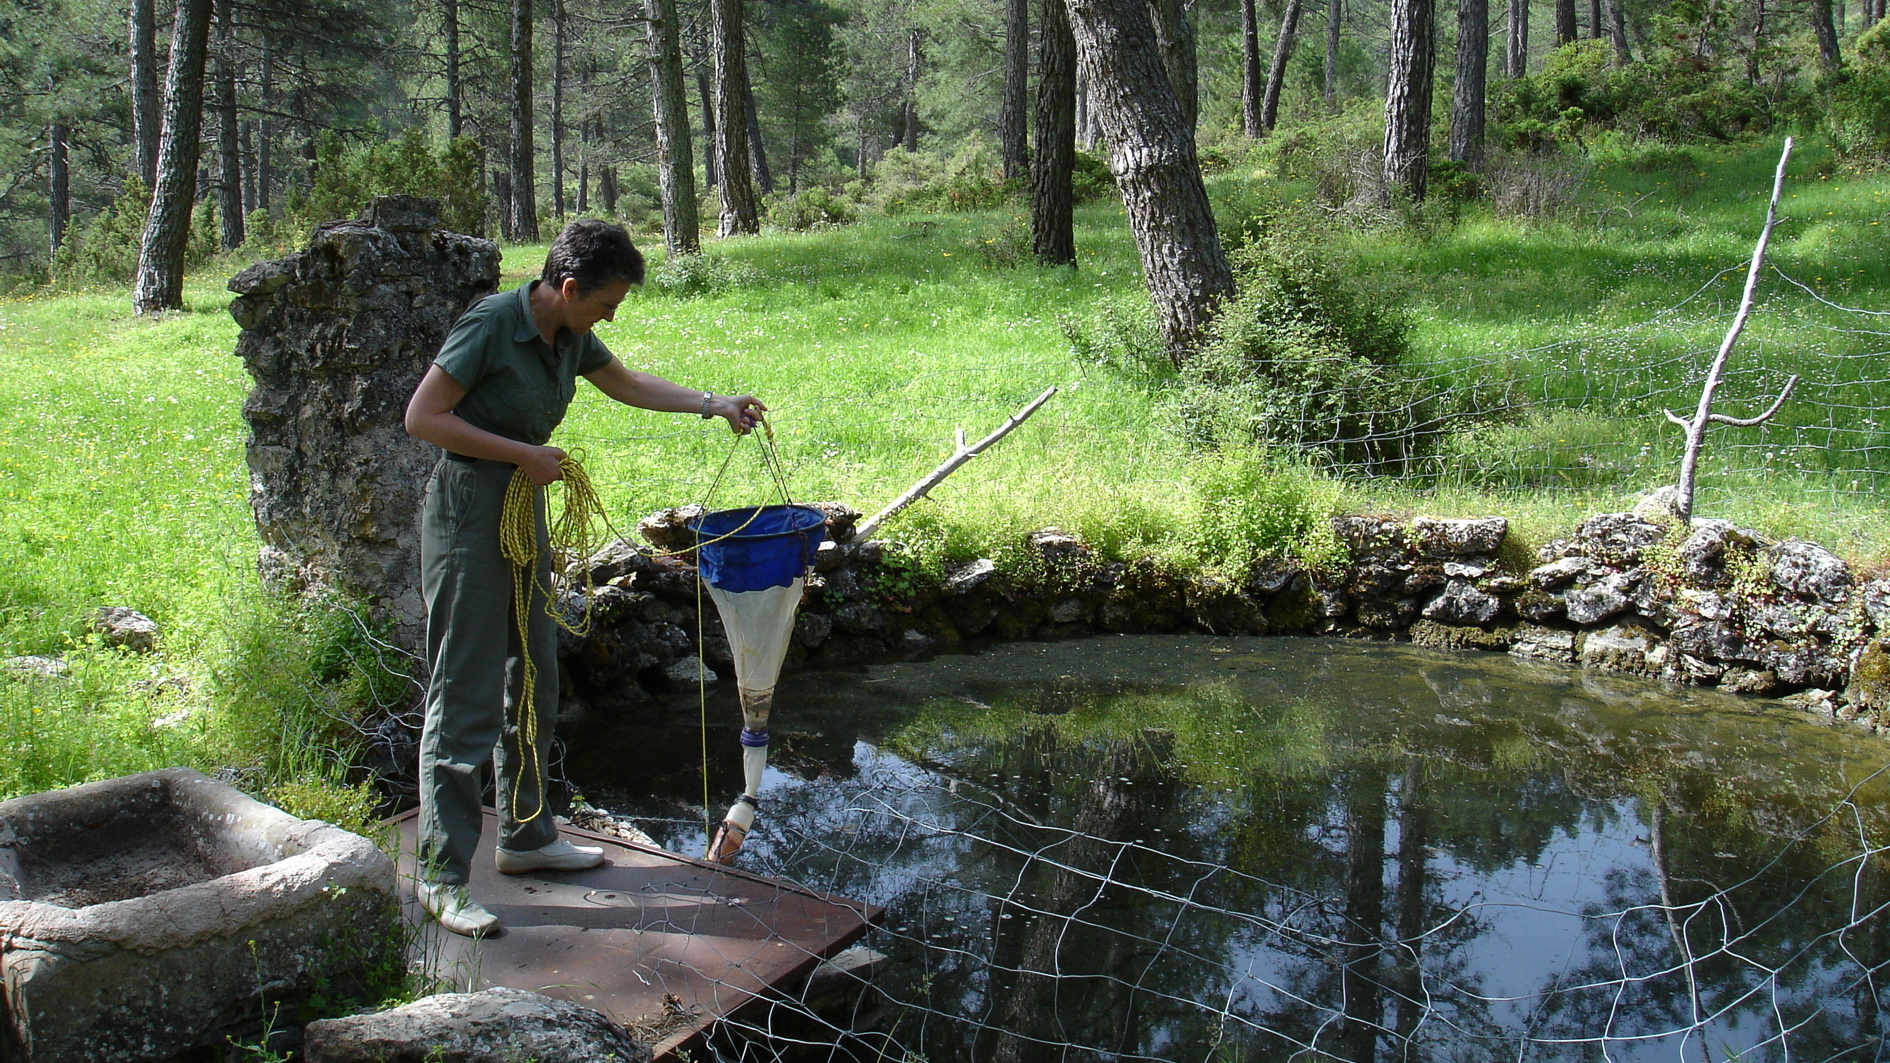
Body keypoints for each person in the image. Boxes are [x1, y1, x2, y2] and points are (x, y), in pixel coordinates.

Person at [403, 218, 762, 936]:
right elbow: (423, 417)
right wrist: (519, 452)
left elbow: (624, 381)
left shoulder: (569, 335)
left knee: (534, 673)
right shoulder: (489, 326)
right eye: (605, 304)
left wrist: (712, 403)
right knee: (466, 688)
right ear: (568, 288)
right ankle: (441, 876)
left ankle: (526, 835)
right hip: (470, 512)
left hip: (520, 507)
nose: (610, 317)